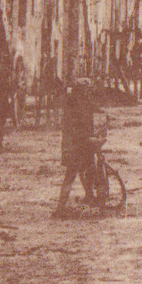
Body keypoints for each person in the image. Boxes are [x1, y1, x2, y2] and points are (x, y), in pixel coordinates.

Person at [55, 77, 99, 213]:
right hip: (78, 145)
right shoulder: (80, 104)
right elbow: (80, 126)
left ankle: (87, 197)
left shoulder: (74, 102)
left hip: (74, 144)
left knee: (78, 172)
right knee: (76, 173)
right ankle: (61, 207)